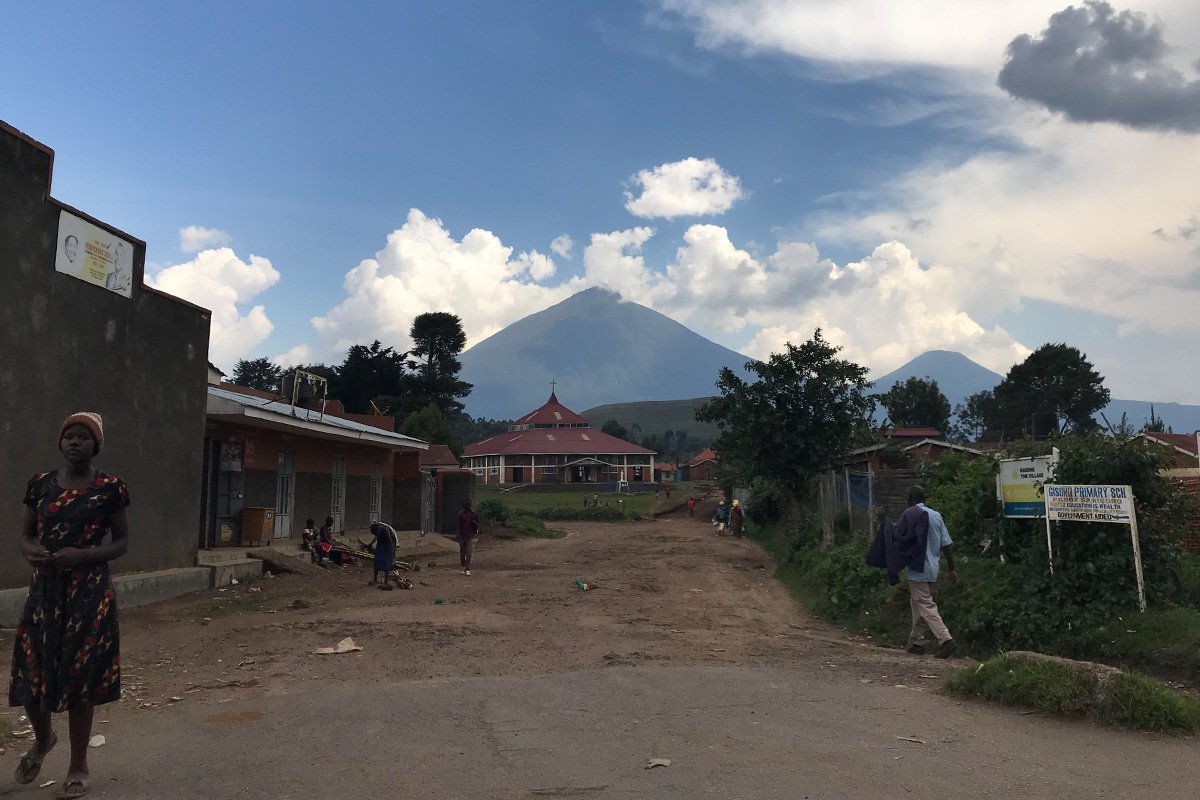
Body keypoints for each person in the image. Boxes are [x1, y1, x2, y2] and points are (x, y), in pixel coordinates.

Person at [12, 412, 129, 799]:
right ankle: (43, 739)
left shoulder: (109, 487)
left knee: (81, 679)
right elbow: (27, 535)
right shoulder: (40, 484)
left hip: (89, 596)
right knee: (31, 672)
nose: (74, 442)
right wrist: (32, 552)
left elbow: (121, 543)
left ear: (96, 445)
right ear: (60, 443)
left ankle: (79, 765)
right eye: (69, 436)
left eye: (83, 437)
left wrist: (83, 555)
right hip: (45, 593)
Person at [902, 486, 958, 658]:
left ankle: (945, 639)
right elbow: (946, 545)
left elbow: (900, 541)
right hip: (932, 568)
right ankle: (916, 642)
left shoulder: (909, 515)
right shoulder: (936, 515)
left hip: (917, 568)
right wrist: (951, 569)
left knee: (925, 604)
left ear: (910, 499)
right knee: (917, 603)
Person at [369, 522, 398, 589]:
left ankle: (386, 582)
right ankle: (375, 579)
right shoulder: (378, 530)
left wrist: (391, 552)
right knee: (376, 560)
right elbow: (376, 537)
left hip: (388, 545)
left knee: (386, 562)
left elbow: (390, 542)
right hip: (381, 544)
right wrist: (370, 544)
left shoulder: (385, 531)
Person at [457, 500, 480, 576]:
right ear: (463, 506)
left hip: (471, 536)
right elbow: (458, 525)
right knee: (462, 554)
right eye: (466, 505)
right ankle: (463, 566)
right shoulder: (461, 514)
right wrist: (457, 533)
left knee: (469, 553)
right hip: (462, 536)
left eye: (469, 505)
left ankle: (467, 569)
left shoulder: (474, 514)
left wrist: (475, 524)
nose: (468, 506)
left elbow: (478, 524)